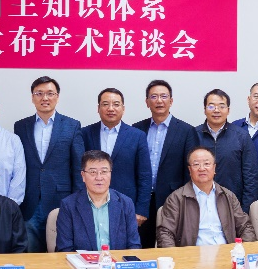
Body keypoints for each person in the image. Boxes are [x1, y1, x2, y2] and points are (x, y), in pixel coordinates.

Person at [14, 76, 83, 253]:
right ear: (32, 97)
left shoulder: (72, 125)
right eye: (39, 93)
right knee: (31, 254)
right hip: (30, 202)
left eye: (50, 93)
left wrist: (77, 201)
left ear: (57, 97)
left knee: (61, 254)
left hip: (61, 202)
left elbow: (78, 168)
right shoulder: (20, 126)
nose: (45, 98)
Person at [131, 80, 199, 248]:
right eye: (154, 97)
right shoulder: (136, 129)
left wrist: (186, 202)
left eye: (163, 96)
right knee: (141, 246)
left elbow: (190, 171)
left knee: (170, 247)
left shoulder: (186, 131)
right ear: (147, 102)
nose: (159, 101)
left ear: (171, 100)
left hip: (173, 199)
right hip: (142, 200)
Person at [156, 147, 255, 247]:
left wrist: (245, 250)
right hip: (193, 253)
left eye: (207, 164)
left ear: (214, 168)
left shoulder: (228, 196)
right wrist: (176, 255)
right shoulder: (176, 198)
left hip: (226, 252)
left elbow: (245, 227)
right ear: (190, 170)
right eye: (196, 164)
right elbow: (165, 233)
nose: (202, 168)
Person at [77, 88, 150, 223]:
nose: (111, 108)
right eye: (105, 104)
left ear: (123, 108)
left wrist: (141, 210)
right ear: (98, 108)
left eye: (116, 104)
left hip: (127, 204)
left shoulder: (137, 136)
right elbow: (79, 170)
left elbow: (145, 175)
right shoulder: (85, 133)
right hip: (90, 203)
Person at [54, 150, 142, 252]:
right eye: (93, 172)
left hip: (116, 261)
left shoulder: (126, 203)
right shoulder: (68, 205)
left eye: (104, 172)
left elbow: (134, 245)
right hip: (81, 262)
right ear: (83, 176)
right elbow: (65, 249)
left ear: (110, 174)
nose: (99, 177)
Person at [195, 89, 258, 212]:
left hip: (232, 204)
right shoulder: (194, 135)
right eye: (211, 106)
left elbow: (251, 176)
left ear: (228, 110)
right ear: (204, 110)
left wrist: (245, 210)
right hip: (199, 203)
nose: (216, 110)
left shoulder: (241, 136)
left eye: (221, 106)